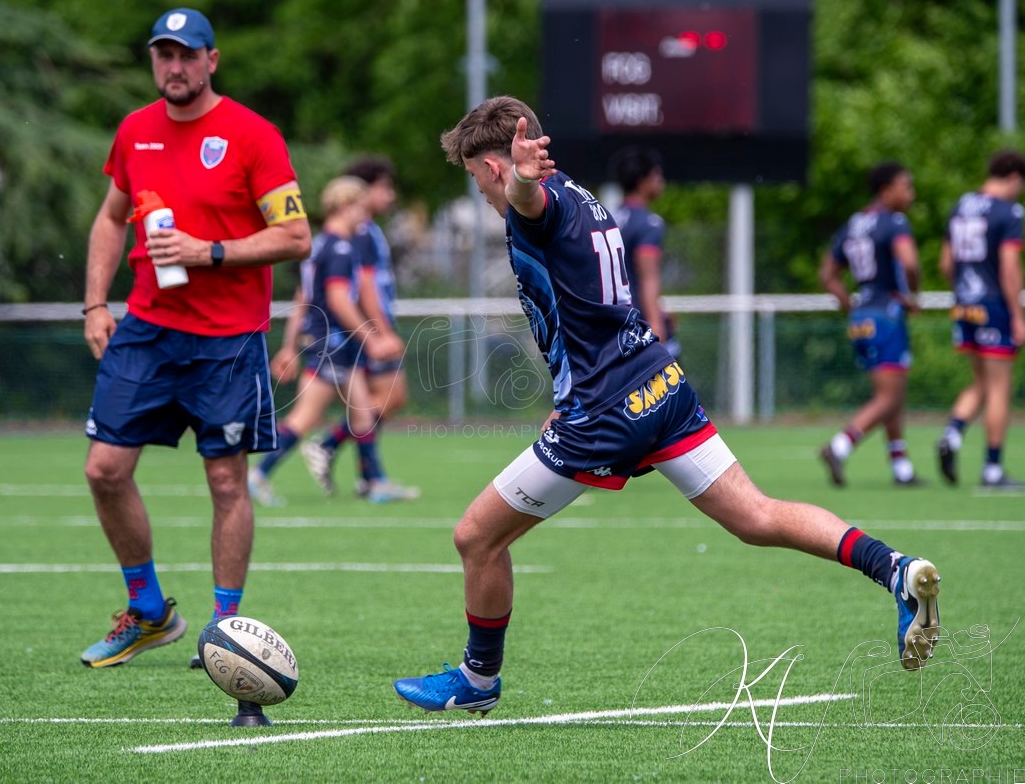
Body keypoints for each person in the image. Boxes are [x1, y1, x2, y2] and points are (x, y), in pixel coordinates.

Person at [393, 96, 942, 716]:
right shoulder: (585, 196)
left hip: (605, 410)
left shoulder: (533, 203)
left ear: (494, 167)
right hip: (657, 383)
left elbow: (527, 202)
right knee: (756, 516)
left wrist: (519, 183)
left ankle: (478, 680)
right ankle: (893, 568)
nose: (480, 195)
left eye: (475, 179)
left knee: (476, 538)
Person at [78, 7, 310, 672]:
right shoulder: (135, 130)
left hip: (228, 340)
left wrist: (207, 250)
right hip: (147, 330)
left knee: (226, 481)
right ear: (153, 61)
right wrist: (95, 303)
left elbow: (295, 237)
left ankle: (224, 629)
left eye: (187, 54)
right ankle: (149, 611)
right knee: (103, 469)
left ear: (212, 60)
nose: (174, 67)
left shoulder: (252, 135)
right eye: (163, 55)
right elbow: (109, 219)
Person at [248, 176, 403, 506]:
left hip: (332, 342)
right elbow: (338, 300)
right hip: (331, 343)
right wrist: (372, 339)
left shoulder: (320, 244)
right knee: (303, 419)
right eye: (361, 208)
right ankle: (257, 475)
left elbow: (302, 297)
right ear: (346, 206)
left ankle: (375, 483)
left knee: (361, 415)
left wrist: (290, 345)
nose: (366, 216)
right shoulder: (341, 249)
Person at [298, 156, 420, 502]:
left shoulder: (362, 231)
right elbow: (363, 287)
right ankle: (337, 451)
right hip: (360, 331)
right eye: (384, 188)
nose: (390, 195)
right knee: (383, 399)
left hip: (359, 330)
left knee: (369, 403)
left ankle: (368, 475)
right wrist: (380, 333)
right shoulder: (358, 233)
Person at [817, 162, 922, 486]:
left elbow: (827, 275)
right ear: (886, 190)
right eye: (906, 186)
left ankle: (900, 466)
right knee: (889, 397)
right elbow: (910, 262)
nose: (911, 194)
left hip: (862, 317)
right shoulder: (894, 222)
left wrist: (850, 302)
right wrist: (912, 294)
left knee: (893, 392)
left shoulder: (854, 224)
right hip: (886, 315)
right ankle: (840, 446)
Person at [935, 150, 1025, 488]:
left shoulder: (961, 206)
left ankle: (953, 435)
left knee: (982, 383)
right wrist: (1018, 315)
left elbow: (946, 264)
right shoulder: (1009, 212)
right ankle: (992, 470)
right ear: (1015, 176)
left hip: (964, 305)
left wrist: (963, 295)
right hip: (995, 306)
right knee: (1001, 386)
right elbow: (1009, 267)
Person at [612, 147, 679, 357]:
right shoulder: (649, 224)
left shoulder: (608, 219)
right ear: (643, 181)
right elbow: (647, 278)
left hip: (613, 321)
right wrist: (656, 326)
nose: (661, 181)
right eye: (657, 175)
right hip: (638, 324)